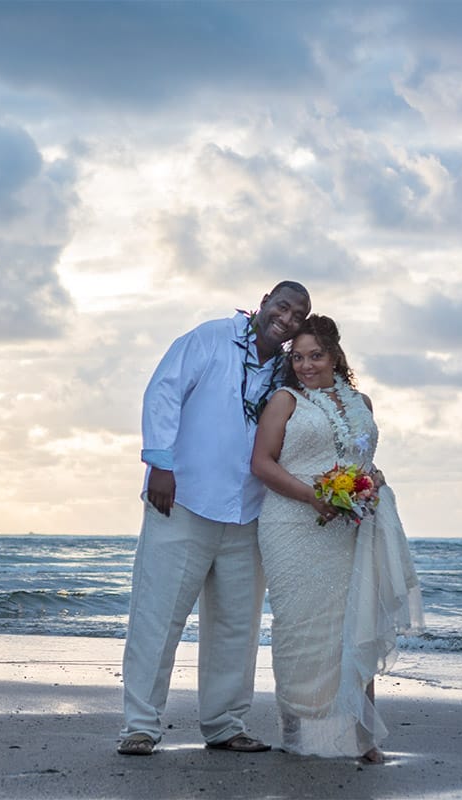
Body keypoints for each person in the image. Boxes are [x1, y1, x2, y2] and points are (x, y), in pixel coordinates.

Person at [117, 281, 312, 756]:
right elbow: (163, 391)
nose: (286, 319)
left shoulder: (288, 370)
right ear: (264, 301)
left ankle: (225, 724)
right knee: (157, 617)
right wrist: (160, 463)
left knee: (236, 628)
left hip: (249, 511)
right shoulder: (211, 338)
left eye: (297, 315)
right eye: (282, 307)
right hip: (181, 500)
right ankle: (141, 726)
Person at [251, 314, 423, 762]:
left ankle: (363, 736)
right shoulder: (285, 400)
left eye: (316, 355)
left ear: (335, 356)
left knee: (356, 624)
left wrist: (372, 479)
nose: (306, 365)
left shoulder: (361, 399)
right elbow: (262, 464)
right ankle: (296, 731)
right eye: (299, 357)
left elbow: (361, 456)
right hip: (292, 524)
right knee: (300, 628)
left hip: (351, 526)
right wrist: (312, 496)